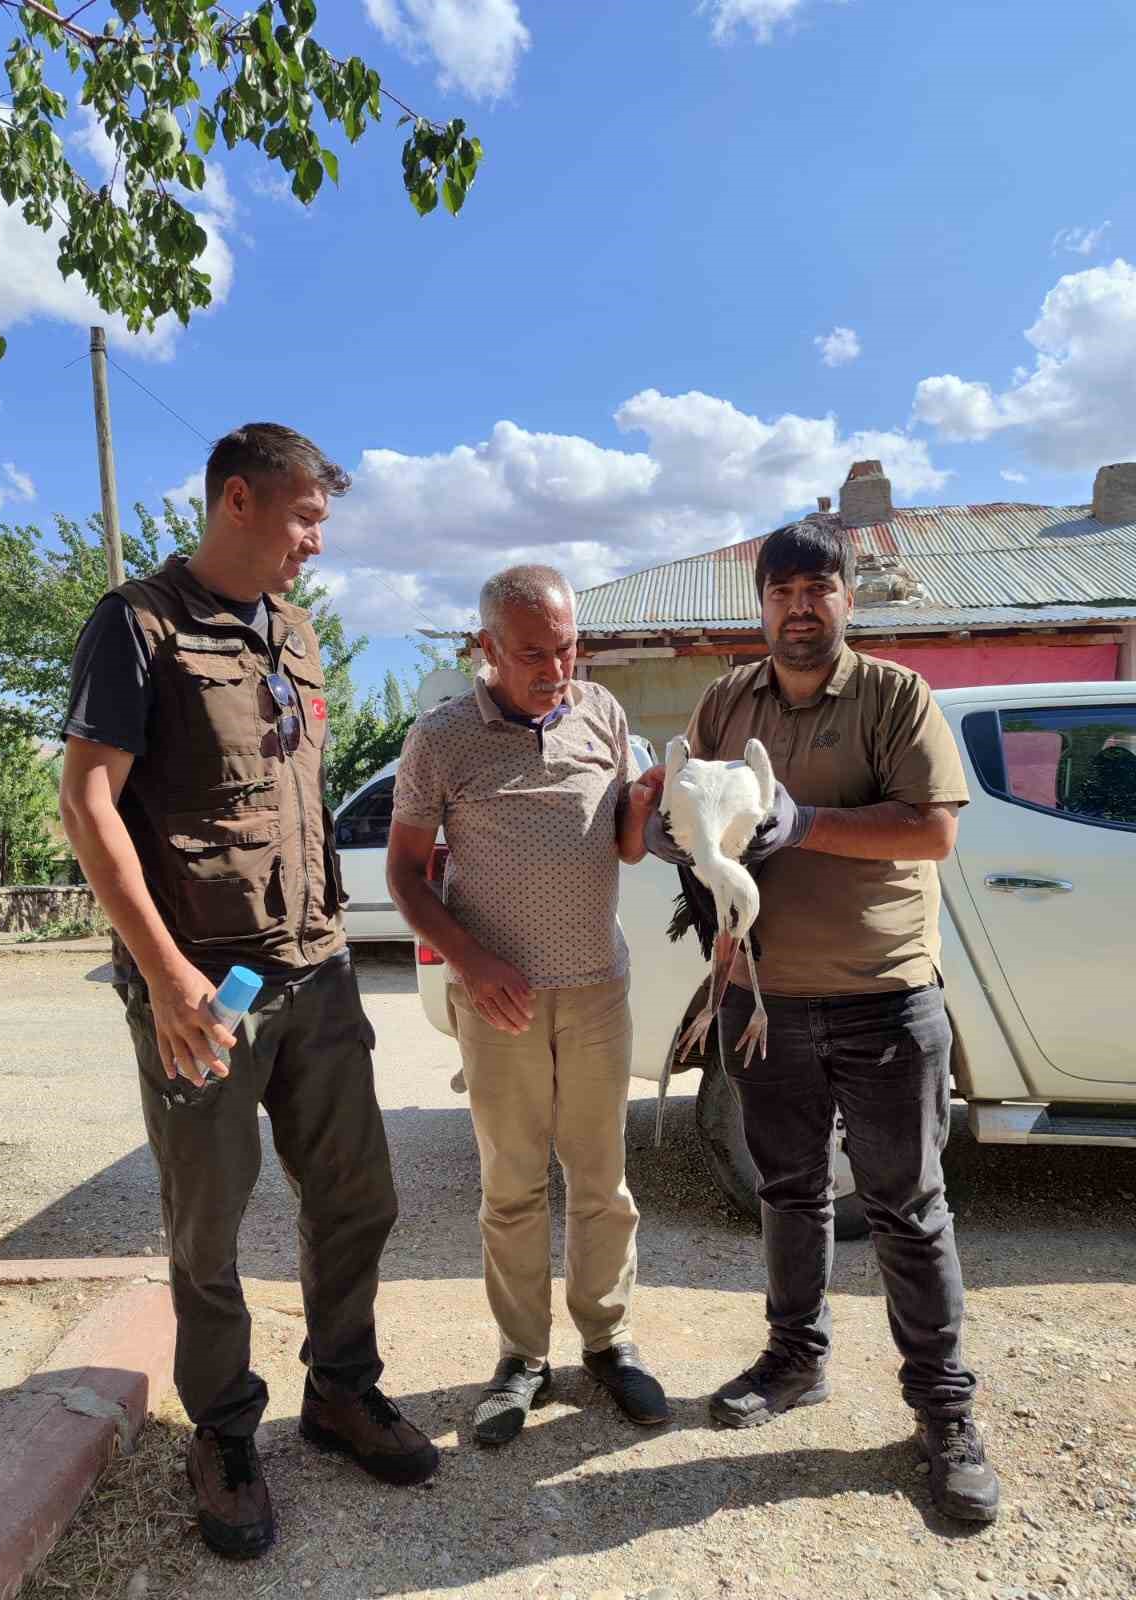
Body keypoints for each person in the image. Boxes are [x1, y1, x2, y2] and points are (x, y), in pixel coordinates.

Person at [59, 423, 437, 1560]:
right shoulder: (137, 625)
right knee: (209, 1227)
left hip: (315, 968)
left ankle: (341, 1389)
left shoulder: (293, 629)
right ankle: (223, 1433)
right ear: (237, 499)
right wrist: (170, 977)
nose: (316, 543)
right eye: (305, 519)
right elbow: (86, 804)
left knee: (356, 1196)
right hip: (204, 989)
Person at [646, 516, 1001, 1524]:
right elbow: (695, 805)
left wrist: (804, 823)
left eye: (819, 589)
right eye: (782, 591)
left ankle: (943, 1413)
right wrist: (689, 851)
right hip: (769, 999)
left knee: (906, 1203)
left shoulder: (895, 695)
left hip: (886, 992)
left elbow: (933, 829)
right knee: (790, 1188)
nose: (800, 608)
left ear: (848, 596)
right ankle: (795, 1358)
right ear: (761, 604)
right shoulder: (728, 698)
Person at [386, 565, 670, 1446]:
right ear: (488, 650)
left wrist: (648, 808)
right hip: (497, 1000)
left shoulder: (603, 715)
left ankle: (608, 1342)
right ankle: (521, 1358)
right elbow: (403, 872)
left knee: (601, 1180)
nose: (556, 669)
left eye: (567, 649)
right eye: (534, 654)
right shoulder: (441, 739)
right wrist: (472, 963)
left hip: (595, 988)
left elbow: (625, 849)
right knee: (511, 1187)